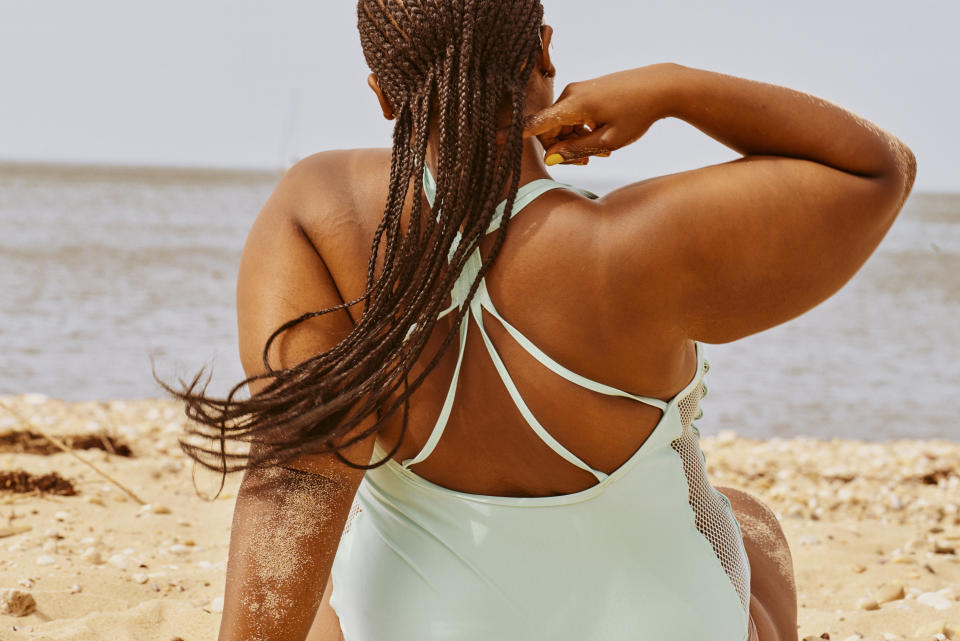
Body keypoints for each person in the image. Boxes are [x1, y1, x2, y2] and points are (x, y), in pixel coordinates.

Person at [173, 2, 915, 640]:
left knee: (325, 599)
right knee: (749, 522)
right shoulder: (635, 241)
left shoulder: (317, 209)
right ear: (544, 51)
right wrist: (673, 88)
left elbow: (296, 487)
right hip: (660, 620)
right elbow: (879, 168)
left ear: (383, 96)